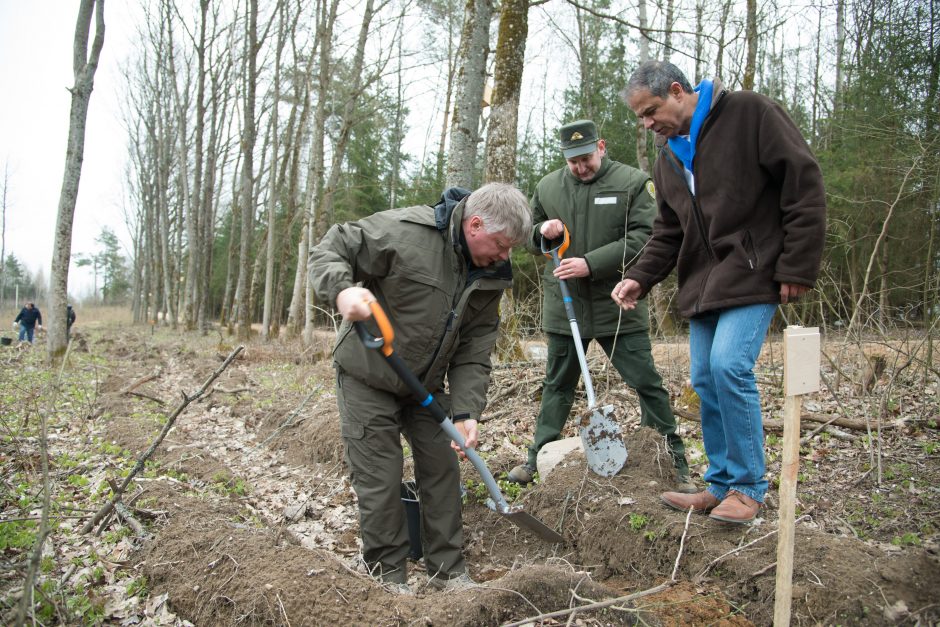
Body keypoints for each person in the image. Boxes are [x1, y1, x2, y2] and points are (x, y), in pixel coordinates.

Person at [612, 61, 827, 524]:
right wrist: (639, 276)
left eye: (650, 112)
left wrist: (797, 265)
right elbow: (669, 231)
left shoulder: (750, 113)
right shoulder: (667, 156)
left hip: (754, 271)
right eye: (640, 118)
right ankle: (720, 483)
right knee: (704, 378)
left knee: (729, 367)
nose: (648, 124)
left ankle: (748, 487)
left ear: (677, 91)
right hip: (702, 283)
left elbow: (804, 185)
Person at [309, 182, 532, 593]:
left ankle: (448, 571)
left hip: (425, 388)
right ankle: (388, 576)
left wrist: (466, 412)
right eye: (501, 245)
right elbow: (333, 246)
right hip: (367, 376)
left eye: (511, 249)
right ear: (475, 224)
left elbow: (474, 348)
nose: (505, 256)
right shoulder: (404, 232)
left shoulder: (492, 274)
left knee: (443, 470)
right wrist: (342, 290)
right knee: (380, 476)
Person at [507, 119, 694, 494]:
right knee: (557, 384)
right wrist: (543, 233)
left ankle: (673, 461)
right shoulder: (548, 186)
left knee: (645, 382)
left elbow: (648, 236)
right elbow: (529, 236)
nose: (580, 167)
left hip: (617, 303)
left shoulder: (631, 183)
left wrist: (592, 263)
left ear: (602, 147)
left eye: (586, 157)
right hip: (565, 306)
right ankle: (537, 455)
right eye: (573, 160)